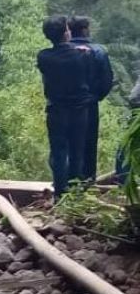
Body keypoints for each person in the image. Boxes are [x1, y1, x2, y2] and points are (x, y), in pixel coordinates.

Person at [36, 16, 93, 199]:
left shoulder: (43, 56)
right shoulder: (83, 54)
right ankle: (75, 193)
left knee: (59, 152)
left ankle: (60, 194)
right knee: (77, 151)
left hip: (56, 110)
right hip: (79, 110)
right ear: (66, 32)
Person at [69, 16, 115, 181]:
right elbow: (107, 80)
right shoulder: (98, 51)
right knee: (89, 143)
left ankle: (66, 182)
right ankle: (88, 181)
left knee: (66, 143)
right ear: (85, 29)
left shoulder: (61, 50)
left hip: (63, 105)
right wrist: (95, 97)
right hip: (89, 104)